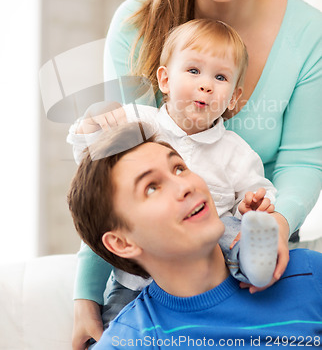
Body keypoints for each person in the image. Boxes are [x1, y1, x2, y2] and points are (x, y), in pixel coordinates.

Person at [71, 0, 322, 349]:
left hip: (256, 252)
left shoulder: (310, 34)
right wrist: (86, 295)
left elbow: (303, 160)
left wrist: (275, 222)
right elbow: (112, 169)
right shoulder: (136, 25)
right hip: (161, 274)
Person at [67, 124, 322, 349]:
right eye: (152, 187)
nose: (186, 185)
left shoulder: (309, 274)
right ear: (122, 243)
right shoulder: (129, 340)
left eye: (179, 169)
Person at [69, 19, 280, 287]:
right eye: (194, 70)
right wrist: (92, 120)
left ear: (234, 98)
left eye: (220, 77)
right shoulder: (139, 120)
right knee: (119, 307)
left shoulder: (237, 152)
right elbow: (90, 160)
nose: (206, 85)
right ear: (165, 80)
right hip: (141, 271)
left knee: (229, 229)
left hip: (205, 263)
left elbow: (260, 191)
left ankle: (253, 266)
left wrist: (252, 207)